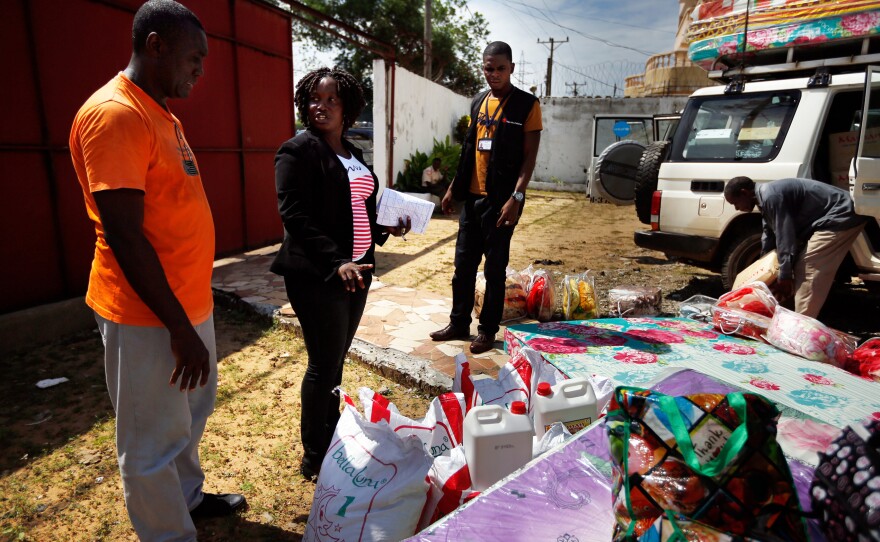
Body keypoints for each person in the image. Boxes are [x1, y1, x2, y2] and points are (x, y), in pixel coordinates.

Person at [69, 1, 245, 539]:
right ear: (155, 45)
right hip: (148, 315)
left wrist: (193, 315)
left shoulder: (159, 112)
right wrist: (177, 328)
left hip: (188, 305)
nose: (200, 69)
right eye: (194, 57)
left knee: (188, 418)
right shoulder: (116, 114)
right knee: (149, 442)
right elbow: (124, 234)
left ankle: (187, 499)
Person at [271, 67, 409, 481]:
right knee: (322, 363)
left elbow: (360, 210)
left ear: (347, 107)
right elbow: (294, 214)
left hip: (357, 270)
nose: (321, 106)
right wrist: (335, 262)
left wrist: (386, 228)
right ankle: (314, 456)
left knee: (335, 360)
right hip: (319, 273)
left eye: (332, 100)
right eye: (315, 98)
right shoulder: (296, 151)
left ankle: (330, 438)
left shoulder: (354, 153)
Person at [430, 41, 542, 354]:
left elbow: (529, 157)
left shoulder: (526, 105)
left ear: (511, 69)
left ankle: (487, 330)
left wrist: (517, 196)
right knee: (463, 266)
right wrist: (453, 187)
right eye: (488, 68)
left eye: (500, 69)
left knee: (494, 270)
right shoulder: (478, 101)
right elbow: (469, 149)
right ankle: (458, 322)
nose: (494, 74)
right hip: (473, 201)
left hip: (502, 202)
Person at [724, 176, 868, 317]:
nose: (737, 208)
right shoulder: (764, 196)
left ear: (744, 192)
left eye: (735, 203)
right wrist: (764, 268)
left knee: (808, 267)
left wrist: (784, 275)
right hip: (834, 215)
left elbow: (785, 236)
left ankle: (801, 326)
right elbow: (768, 234)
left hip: (841, 215)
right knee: (795, 265)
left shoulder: (770, 196)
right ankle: (793, 313)